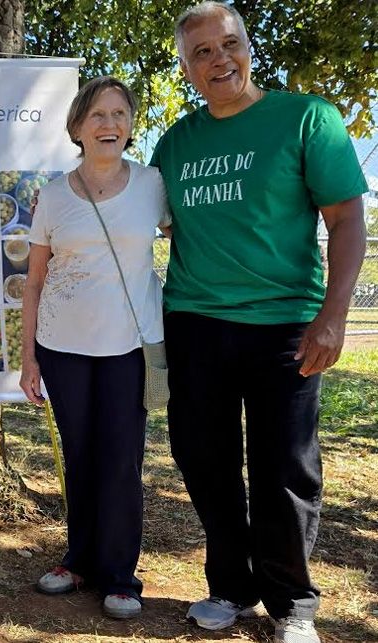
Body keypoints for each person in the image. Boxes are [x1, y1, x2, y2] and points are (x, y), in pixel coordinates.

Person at [150, 3, 367, 642]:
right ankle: (230, 588)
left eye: (229, 44)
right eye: (202, 53)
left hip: (285, 325)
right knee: (204, 462)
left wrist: (333, 316)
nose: (220, 60)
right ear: (187, 68)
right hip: (193, 323)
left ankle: (293, 603)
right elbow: (146, 217)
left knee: (284, 468)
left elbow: (347, 219)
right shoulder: (176, 142)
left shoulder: (306, 119)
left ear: (248, 46)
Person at [19, 76, 171, 620]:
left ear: (130, 126)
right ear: (78, 126)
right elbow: (34, 281)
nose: (110, 125)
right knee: (81, 457)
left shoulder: (153, 183)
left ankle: (120, 576)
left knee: (121, 462)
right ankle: (78, 558)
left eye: (120, 114)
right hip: (61, 348)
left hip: (129, 348)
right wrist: (29, 355)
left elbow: (192, 236)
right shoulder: (54, 195)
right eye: (98, 115)